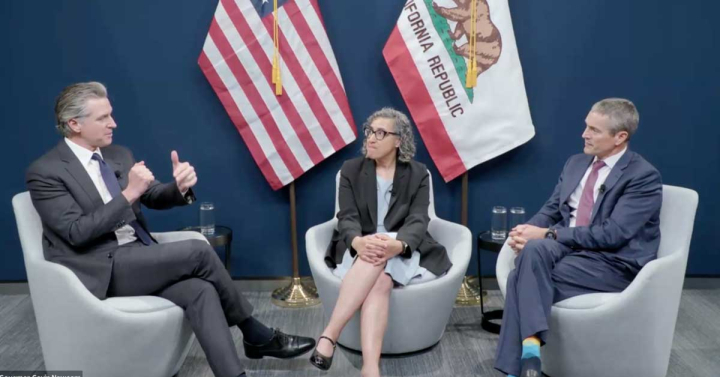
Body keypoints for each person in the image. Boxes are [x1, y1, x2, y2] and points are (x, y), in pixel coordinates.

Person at [26, 82, 315, 377]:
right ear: (74, 124)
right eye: (102, 118)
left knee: (200, 290)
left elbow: (150, 196)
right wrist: (128, 193)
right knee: (198, 249)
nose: (113, 123)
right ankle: (255, 333)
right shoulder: (46, 172)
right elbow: (76, 232)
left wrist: (178, 188)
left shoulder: (117, 154)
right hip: (99, 267)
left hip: (138, 257)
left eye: (110, 114)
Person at [494, 98, 663, 377]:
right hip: (570, 251)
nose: (584, 134)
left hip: (611, 262)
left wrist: (548, 233)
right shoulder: (576, 163)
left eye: (594, 130)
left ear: (620, 137)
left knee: (519, 277)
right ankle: (530, 353)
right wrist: (524, 230)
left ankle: (523, 363)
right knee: (533, 252)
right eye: (586, 126)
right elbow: (551, 209)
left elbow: (614, 233)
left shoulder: (643, 177)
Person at [309, 108, 452, 377]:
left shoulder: (418, 173)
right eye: (369, 132)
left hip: (402, 245)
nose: (371, 139)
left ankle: (330, 335)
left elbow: (419, 219)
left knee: (381, 269)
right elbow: (347, 216)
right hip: (362, 243)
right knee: (381, 277)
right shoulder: (351, 170)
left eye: (380, 133)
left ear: (399, 140)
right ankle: (371, 368)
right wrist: (357, 242)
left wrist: (399, 245)